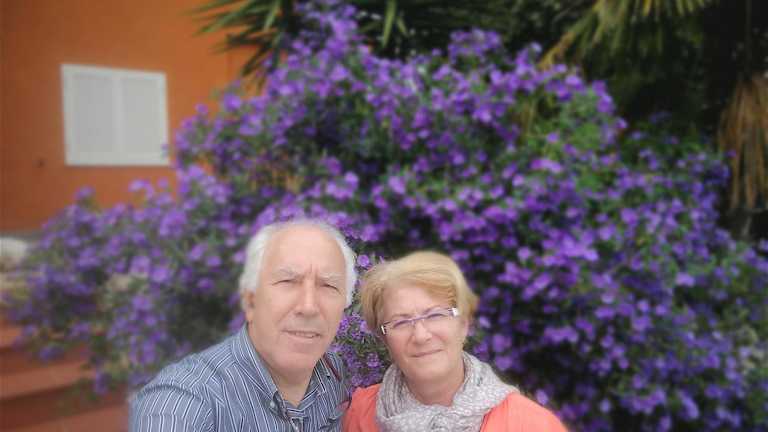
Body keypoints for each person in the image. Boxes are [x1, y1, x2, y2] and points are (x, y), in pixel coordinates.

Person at [130, 219, 357, 431]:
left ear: (344, 306)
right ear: (250, 301)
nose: (309, 306)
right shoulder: (184, 400)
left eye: (328, 286)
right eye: (288, 281)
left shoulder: (337, 377)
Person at [343, 251, 568, 432]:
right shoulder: (360, 417)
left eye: (435, 315)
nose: (421, 335)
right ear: (384, 338)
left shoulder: (531, 424)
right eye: (401, 322)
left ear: (464, 324)